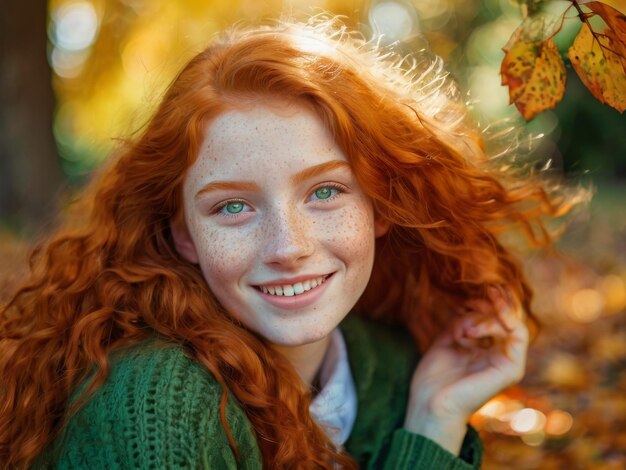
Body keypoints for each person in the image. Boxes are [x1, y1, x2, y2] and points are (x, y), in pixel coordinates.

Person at [0, 17, 570, 469]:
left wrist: (432, 419)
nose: (288, 246)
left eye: (324, 191)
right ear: (183, 234)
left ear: (380, 204)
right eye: (232, 206)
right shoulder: (157, 401)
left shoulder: (392, 366)